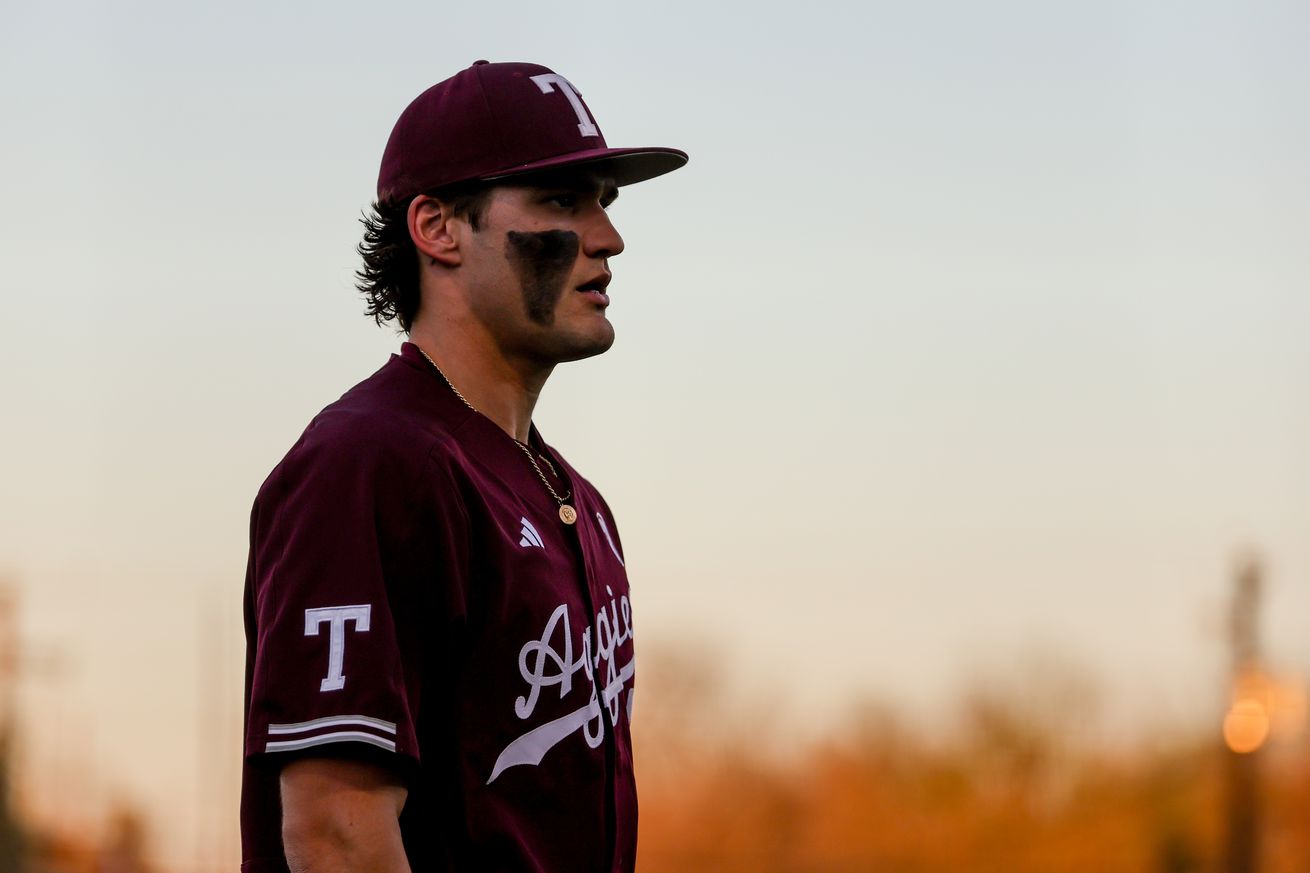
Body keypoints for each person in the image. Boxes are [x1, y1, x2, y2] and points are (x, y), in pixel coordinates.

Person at [239, 60, 686, 873]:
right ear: (438, 228)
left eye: (605, 202)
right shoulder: (369, 462)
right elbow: (336, 828)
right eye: (561, 199)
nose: (609, 237)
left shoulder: (575, 497)